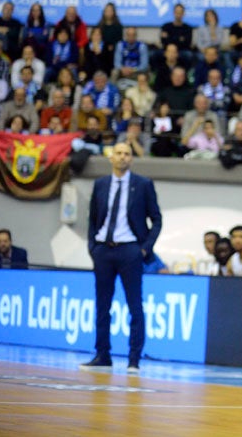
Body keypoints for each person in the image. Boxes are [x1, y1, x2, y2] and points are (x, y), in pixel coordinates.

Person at [80, 142, 162, 373]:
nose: (123, 157)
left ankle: (134, 358)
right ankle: (102, 354)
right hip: (103, 250)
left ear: (131, 159)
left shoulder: (143, 184)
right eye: (119, 153)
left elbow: (156, 219)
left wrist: (144, 248)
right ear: (111, 157)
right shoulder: (101, 184)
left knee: (135, 305)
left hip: (130, 251)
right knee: (102, 305)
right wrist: (93, 246)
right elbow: (93, 218)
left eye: (127, 154)